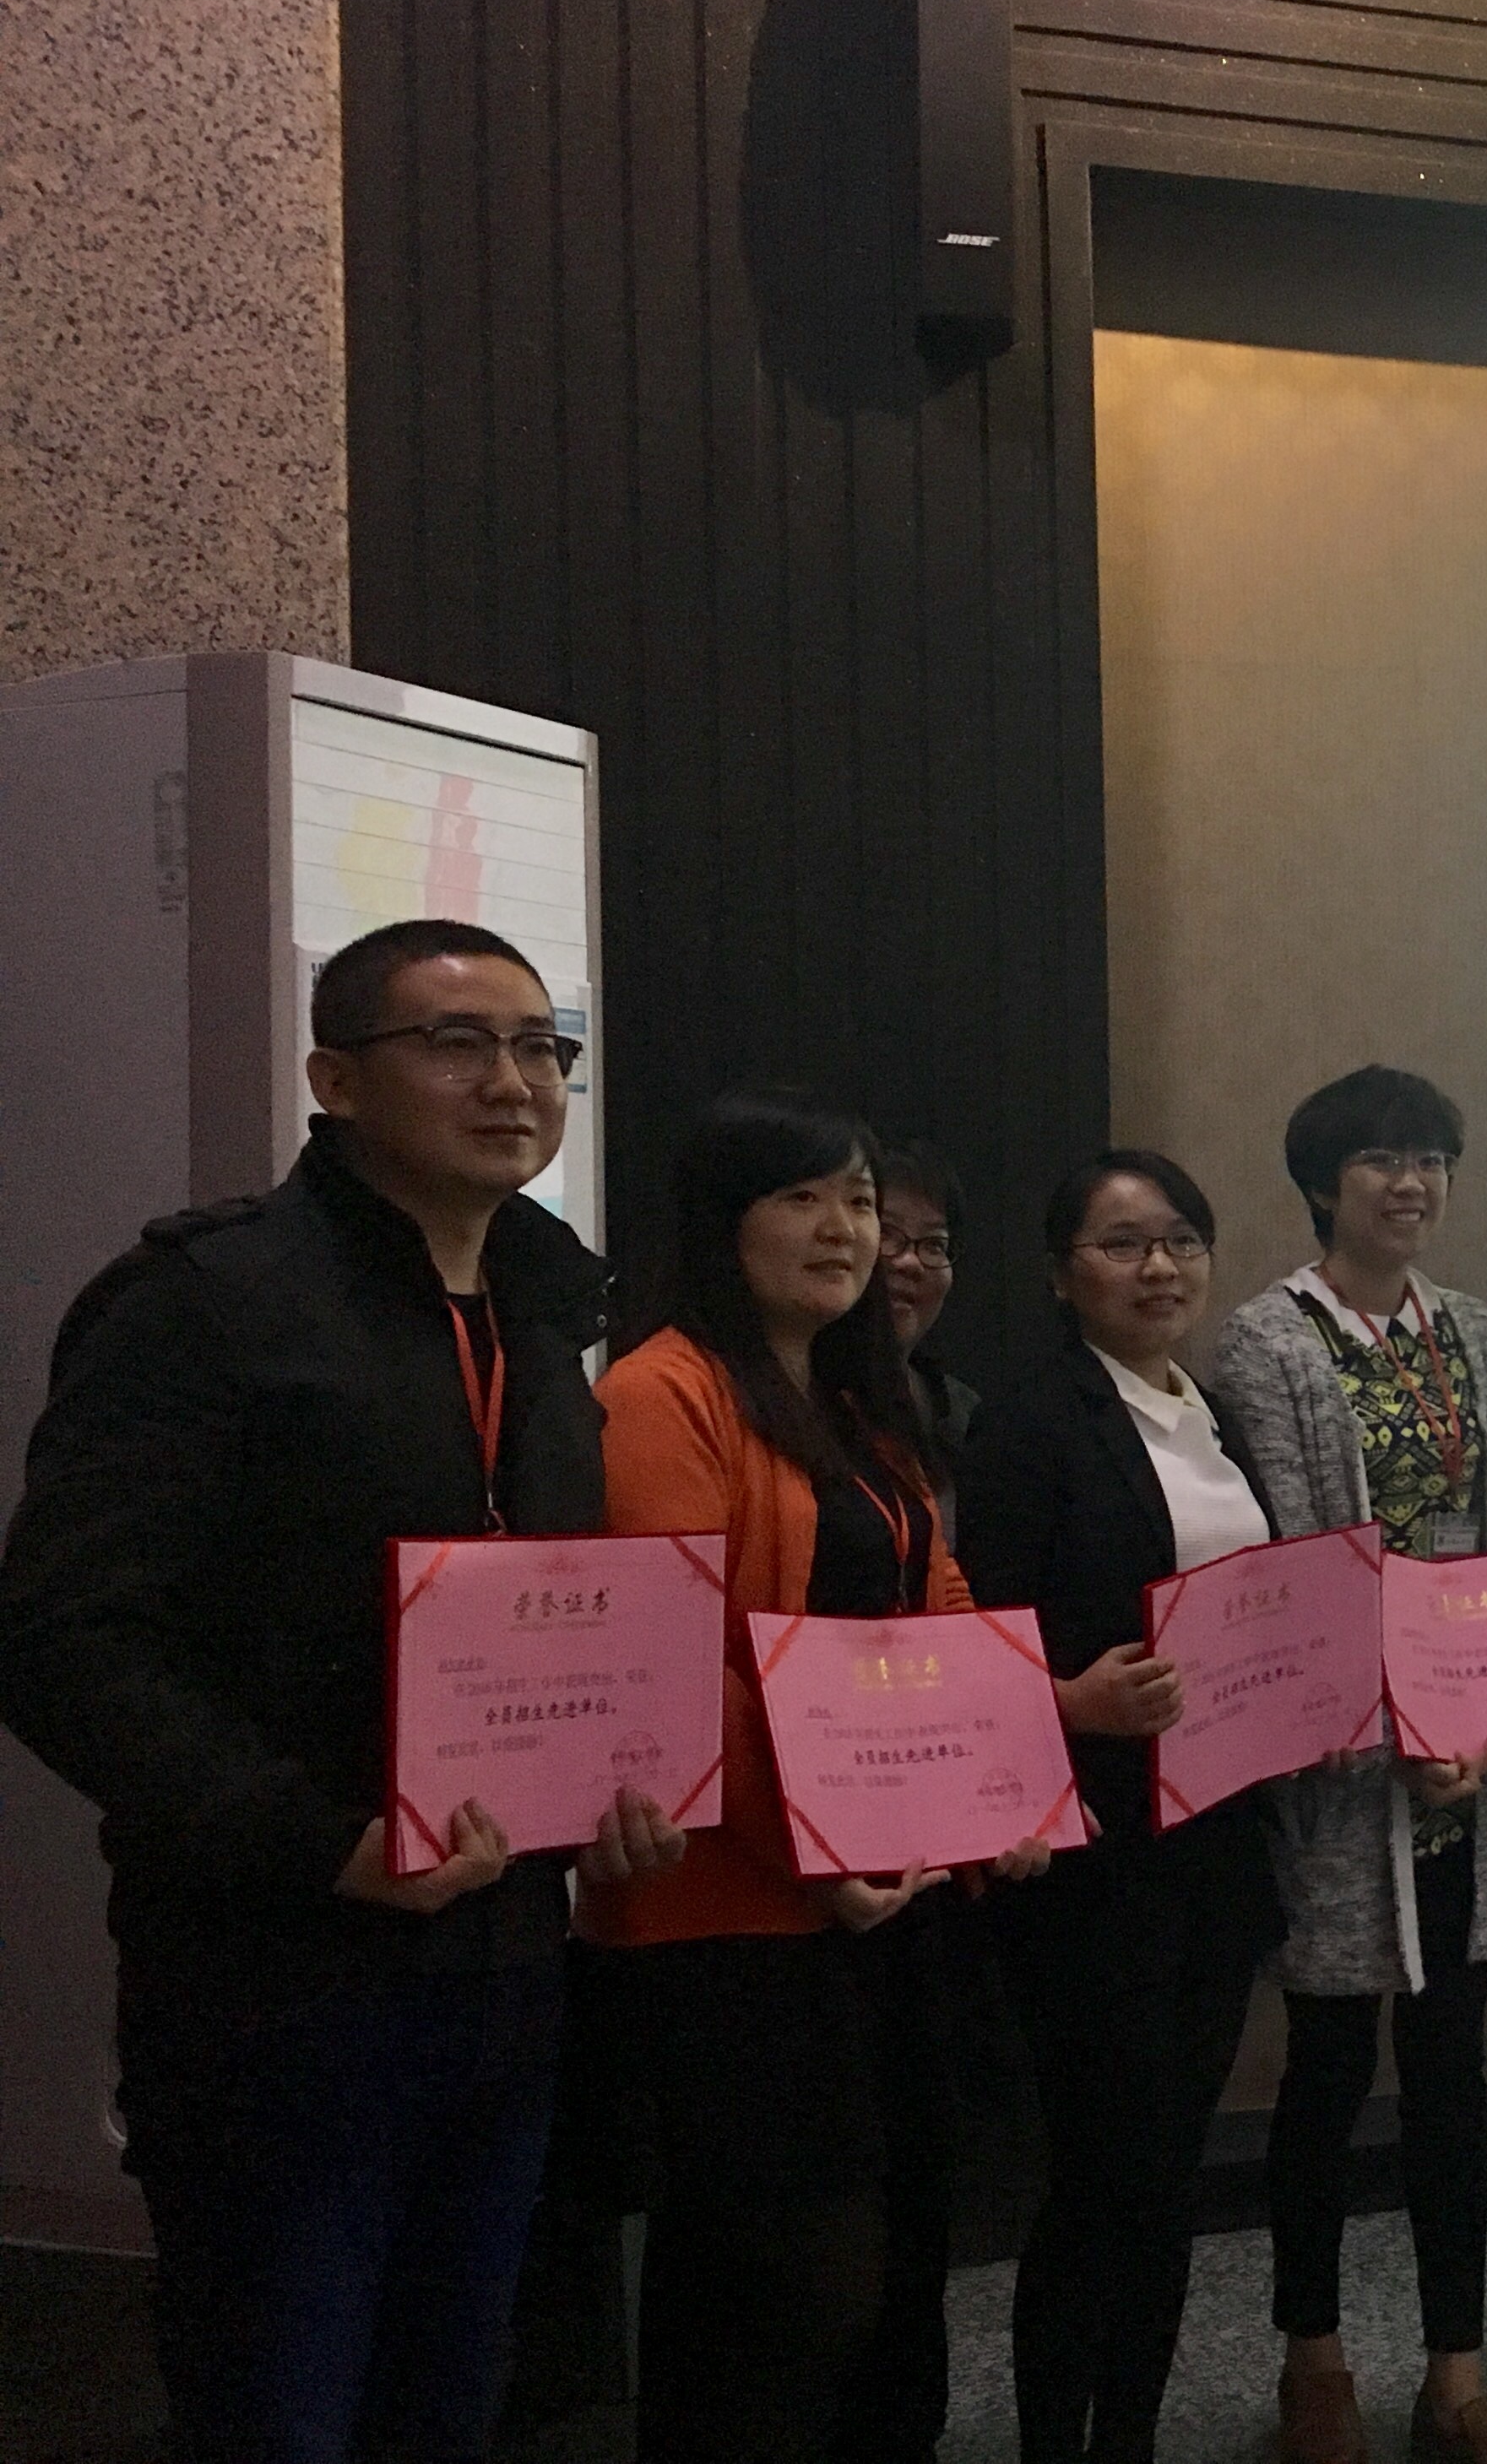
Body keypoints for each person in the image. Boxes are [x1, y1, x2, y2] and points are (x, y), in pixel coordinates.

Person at [0, 918, 685, 2464]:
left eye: (541, 1046)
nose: (513, 1081)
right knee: (279, 2407)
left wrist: (614, 1787)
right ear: (334, 1079)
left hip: (506, 1969)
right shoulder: (207, 1300)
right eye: (458, 1042)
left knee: (450, 2402)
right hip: (280, 1979)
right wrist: (317, 1839)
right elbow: (62, 1637)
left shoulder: (542, 1312)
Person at [578, 1087, 1046, 2464]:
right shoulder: (659, 1389)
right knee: (782, 2278)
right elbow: (671, 1656)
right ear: (725, 1225)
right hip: (734, 1905)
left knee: (903, 2248)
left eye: (859, 1200)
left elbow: (940, 1600)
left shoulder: (856, 1400)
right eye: (804, 1199)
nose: (845, 1229)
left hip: (885, 1895)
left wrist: (1002, 1791)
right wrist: (819, 1848)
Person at [1206, 1066, 1487, 2464]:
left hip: (1471, 1759)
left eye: (1429, 1160)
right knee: (1328, 2074)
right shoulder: (1267, 1339)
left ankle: (1455, 2377)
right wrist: (1393, 1732)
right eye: (1379, 1161)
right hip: (1345, 1769)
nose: (1409, 1184)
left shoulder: (1469, 1326)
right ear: (1321, 1181)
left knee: (1455, 2074)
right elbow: (1299, 1563)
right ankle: (1317, 2363)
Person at [955, 1150, 1284, 2464]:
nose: (1161, 1268)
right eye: (1124, 1244)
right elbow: (974, 1645)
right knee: (1101, 2174)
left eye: (1182, 1242)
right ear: (1060, 1275)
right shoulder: (1030, 1425)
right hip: (1096, 1859)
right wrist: (1071, 1703)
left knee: (1169, 2173)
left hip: (1218, 1840)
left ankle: (1130, 2436)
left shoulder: (1215, 1415)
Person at [874, 1140, 980, 1484]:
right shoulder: (791, 1399)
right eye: (886, 1233)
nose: (910, 1262)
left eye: (935, 1244)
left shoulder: (962, 1412)